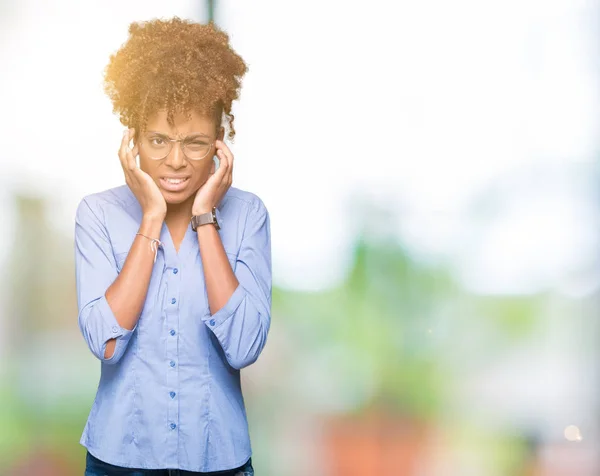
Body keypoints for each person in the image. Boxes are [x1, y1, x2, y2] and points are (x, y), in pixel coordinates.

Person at [74, 17, 270, 476]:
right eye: (158, 140)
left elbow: (243, 347)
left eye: (195, 143)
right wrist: (152, 217)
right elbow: (105, 344)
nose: (176, 160)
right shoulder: (98, 215)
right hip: (118, 460)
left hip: (217, 461)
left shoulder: (248, 216)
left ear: (220, 145)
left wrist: (205, 219)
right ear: (132, 140)